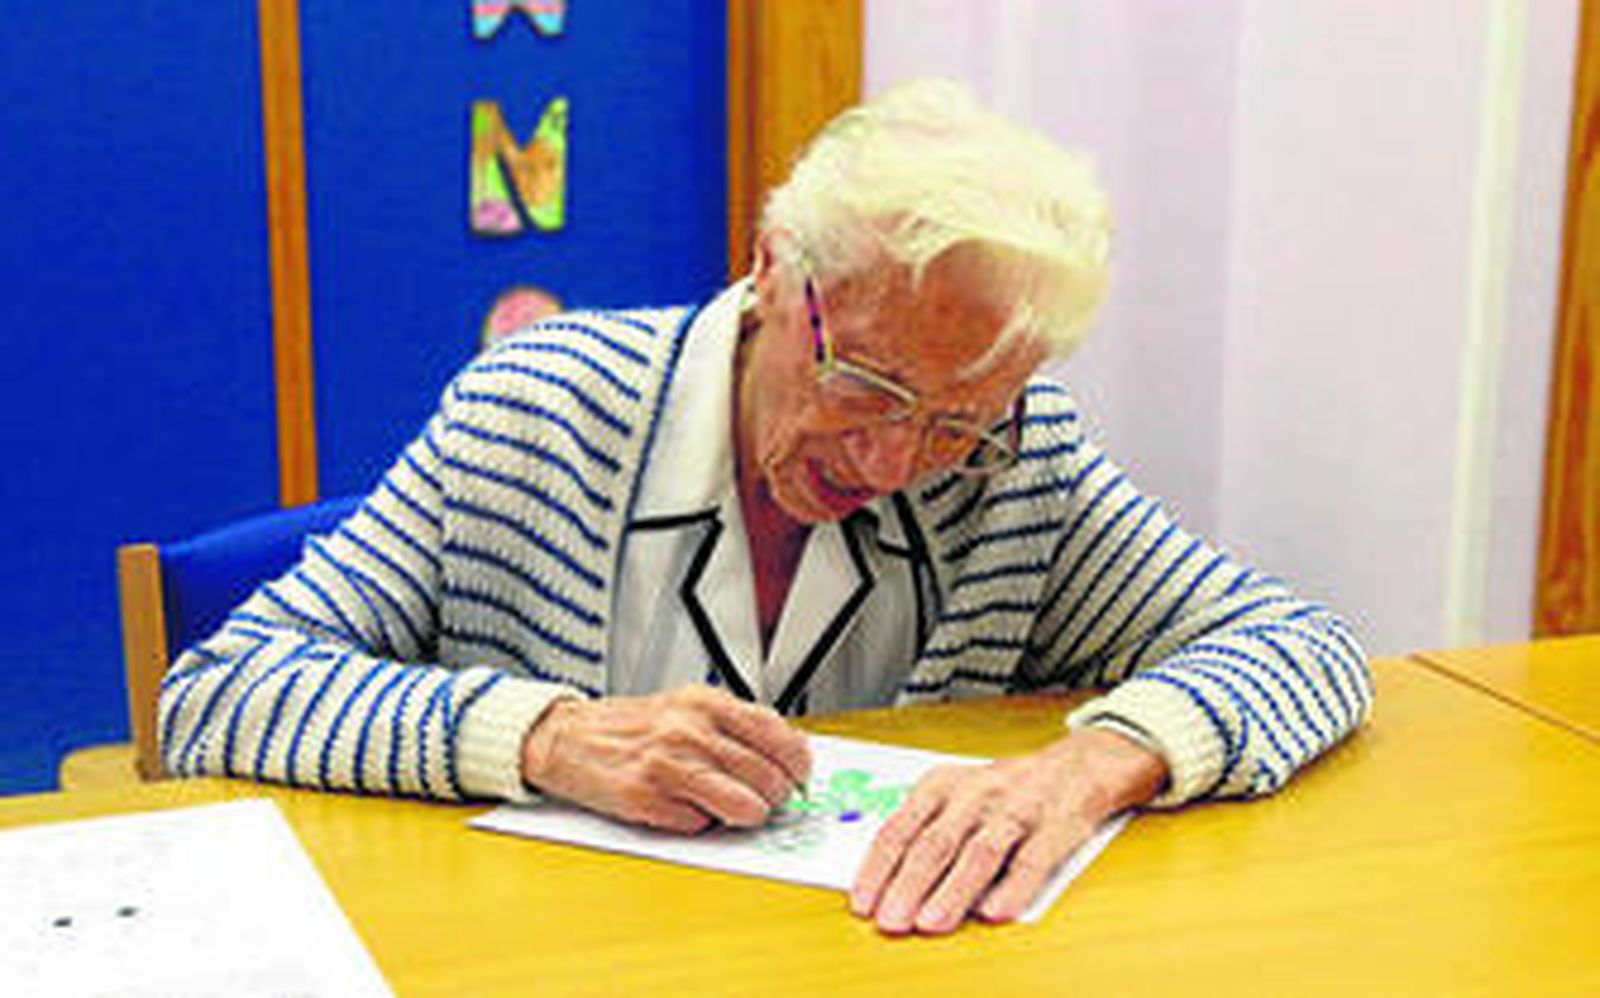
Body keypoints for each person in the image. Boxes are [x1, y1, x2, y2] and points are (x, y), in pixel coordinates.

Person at [160, 79, 1372, 936]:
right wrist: (548, 738)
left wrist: (1089, 764)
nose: (895, 459)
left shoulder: (1014, 464)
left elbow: (1300, 645)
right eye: (869, 386)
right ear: (771, 268)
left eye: (957, 418)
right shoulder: (542, 408)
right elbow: (220, 691)